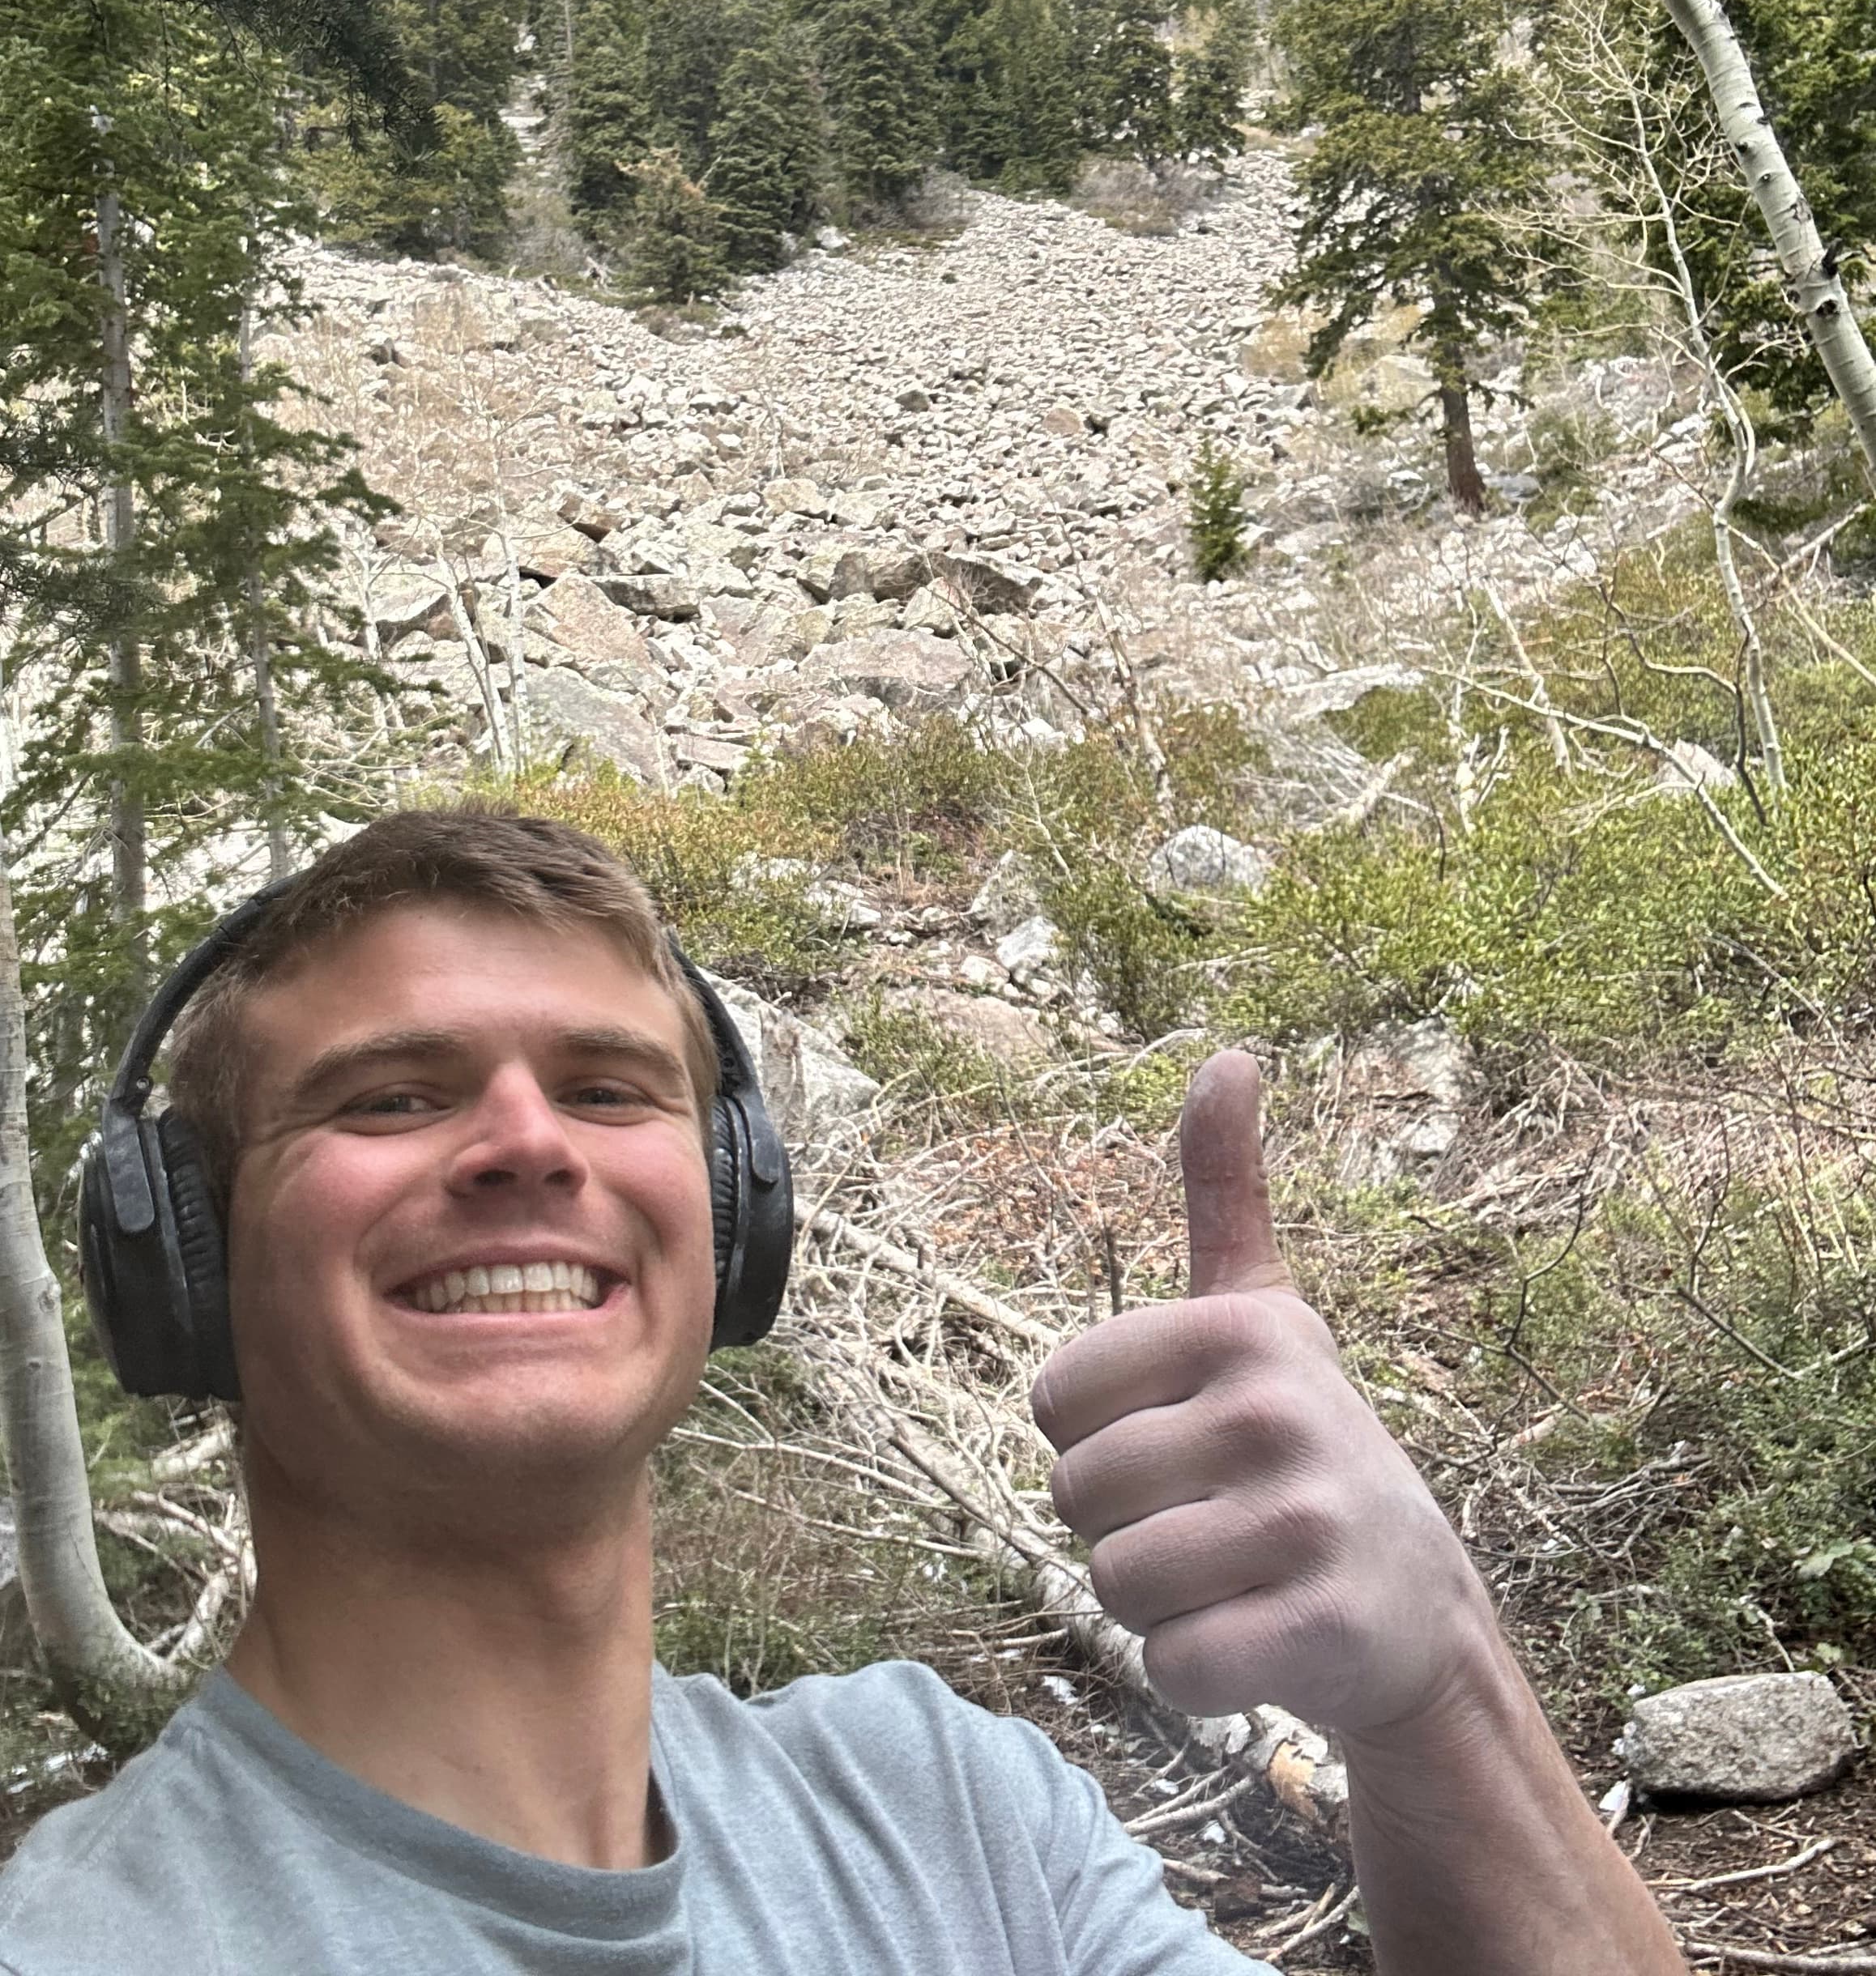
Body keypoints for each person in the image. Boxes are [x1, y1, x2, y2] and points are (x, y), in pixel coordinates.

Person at [0, 808, 1686, 1974]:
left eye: (606, 1085)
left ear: (736, 1219)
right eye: (387, 1097)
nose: (526, 1140)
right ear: (186, 1258)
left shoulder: (953, 1812)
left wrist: (1439, 1696)